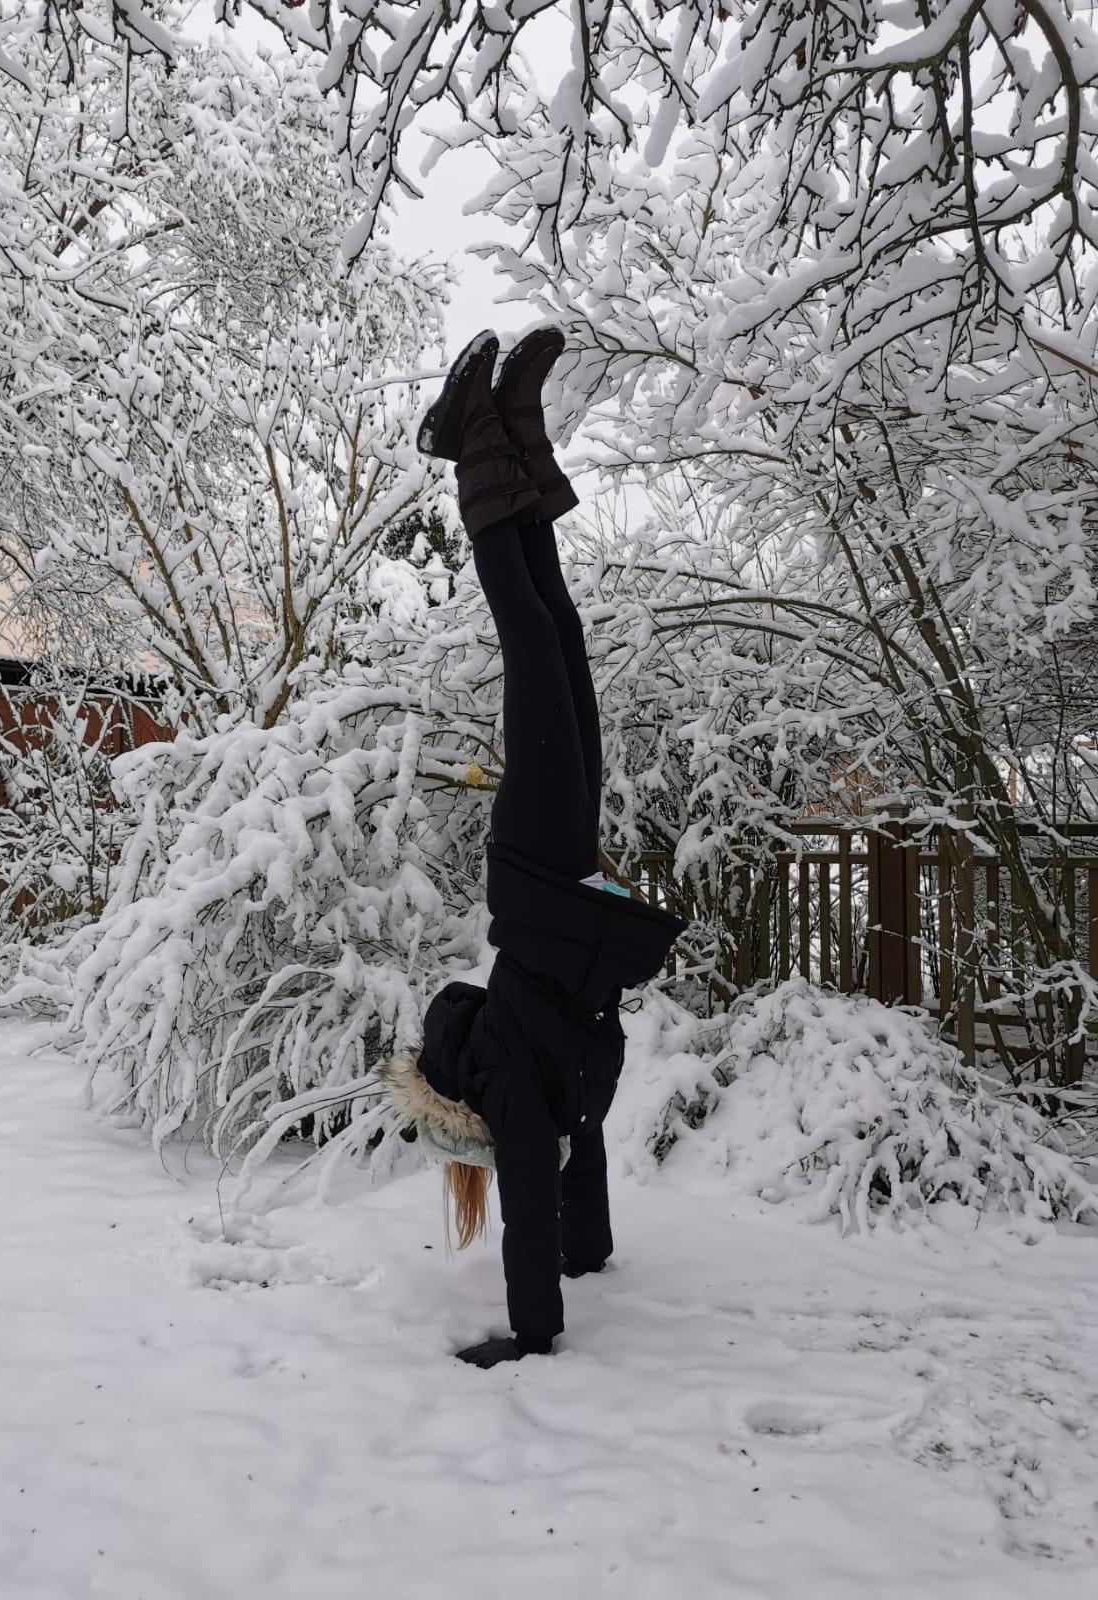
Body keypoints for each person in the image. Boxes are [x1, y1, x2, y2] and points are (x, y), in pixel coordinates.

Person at [380, 328, 685, 1368]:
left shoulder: (510, 1075)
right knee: (563, 642)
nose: (447, 1014)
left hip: (542, 867)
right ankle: (515, 431)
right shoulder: (552, 1088)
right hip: (565, 872)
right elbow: (571, 1184)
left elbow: (526, 1215)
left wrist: (531, 1334)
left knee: (531, 639)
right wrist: (587, 1255)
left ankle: (468, 441)